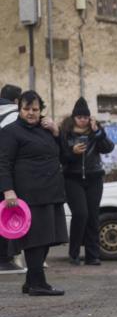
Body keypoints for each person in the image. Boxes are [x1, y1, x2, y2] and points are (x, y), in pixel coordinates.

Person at [0, 91, 68, 295]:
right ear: (19, 109)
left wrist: (57, 132)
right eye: (26, 109)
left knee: (47, 238)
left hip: (51, 192)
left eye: (35, 109)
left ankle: (31, 282)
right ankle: (38, 283)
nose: (31, 113)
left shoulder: (47, 130)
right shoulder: (10, 131)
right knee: (35, 240)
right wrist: (8, 190)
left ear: (41, 110)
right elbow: (3, 163)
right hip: (28, 195)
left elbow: (66, 156)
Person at [59, 97, 114, 266]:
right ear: (73, 118)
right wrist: (72, 151)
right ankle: (74, 253)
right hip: (72, 178)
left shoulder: (94, 132)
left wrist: (98, 133)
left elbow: (108, 148)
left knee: (93, 216)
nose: (82, 120)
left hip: (94, 177)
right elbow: (61, 157)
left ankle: (93, 255)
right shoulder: (65, 133)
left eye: (85, 117)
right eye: (79, 117)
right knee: (80, 214)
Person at [0, 83, 25, 275]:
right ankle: (5, 258)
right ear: (17, 101)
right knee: (6, 214)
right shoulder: (15, 116)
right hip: (8, 171)